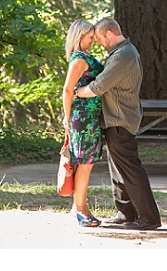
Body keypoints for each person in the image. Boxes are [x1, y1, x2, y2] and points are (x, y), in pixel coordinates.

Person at [74, 18, 161, 230]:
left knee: (130, 169)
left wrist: (76, 92)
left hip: (121, 119)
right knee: (117, 169)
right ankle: (126, 213)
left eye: (100, 38)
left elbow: (100, 86)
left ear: (110, 34)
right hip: (114, 119)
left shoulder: (124, 56)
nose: (99, 43)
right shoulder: (120, 53)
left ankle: (149, 217)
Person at [62, 19, 104, 227]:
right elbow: (68, 90)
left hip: (91, 117)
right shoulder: (78, 59)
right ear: (79, 37)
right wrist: (67, 118)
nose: (93, 40)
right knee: (84, 164)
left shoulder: (85, 56)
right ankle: (79, 210)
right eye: (90, 37)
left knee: (87, 163)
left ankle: (81, 207)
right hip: (83, 118)